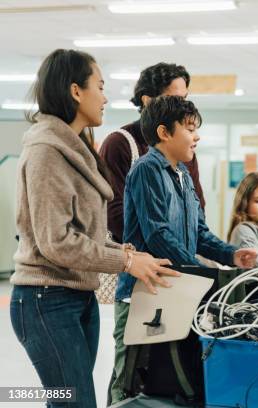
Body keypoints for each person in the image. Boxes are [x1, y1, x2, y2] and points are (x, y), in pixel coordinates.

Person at [9, 49, 179, 408]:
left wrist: (126, 253)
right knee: (74, 402)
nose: (105, 97)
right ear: (75, 91)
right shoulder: (46, 151)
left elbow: (84, 233)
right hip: (45, 299)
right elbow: (56, 242)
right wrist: (126, 264)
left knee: (70, 400)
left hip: (76, 294)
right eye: (99, 86)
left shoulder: (78, 147)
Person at [111, 95, 258, 404]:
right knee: (130, 378)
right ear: (165, 133)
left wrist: (230, 254)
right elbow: (158, 234)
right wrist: (198, 272)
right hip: (143, 294)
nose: (197, 136)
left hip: (177, 290)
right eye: (190, 128)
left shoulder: (183, 176)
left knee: (170, 378)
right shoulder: (146, 170)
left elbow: (199, 233)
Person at [99, 62, 205, 244]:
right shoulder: (119, 144)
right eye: (175, 99)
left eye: (185, 99)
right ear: (147, 101)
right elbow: (113, 212)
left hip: (176, 258)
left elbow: (197, 208)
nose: (183, 106)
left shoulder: (184, 151)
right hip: (136, 259)